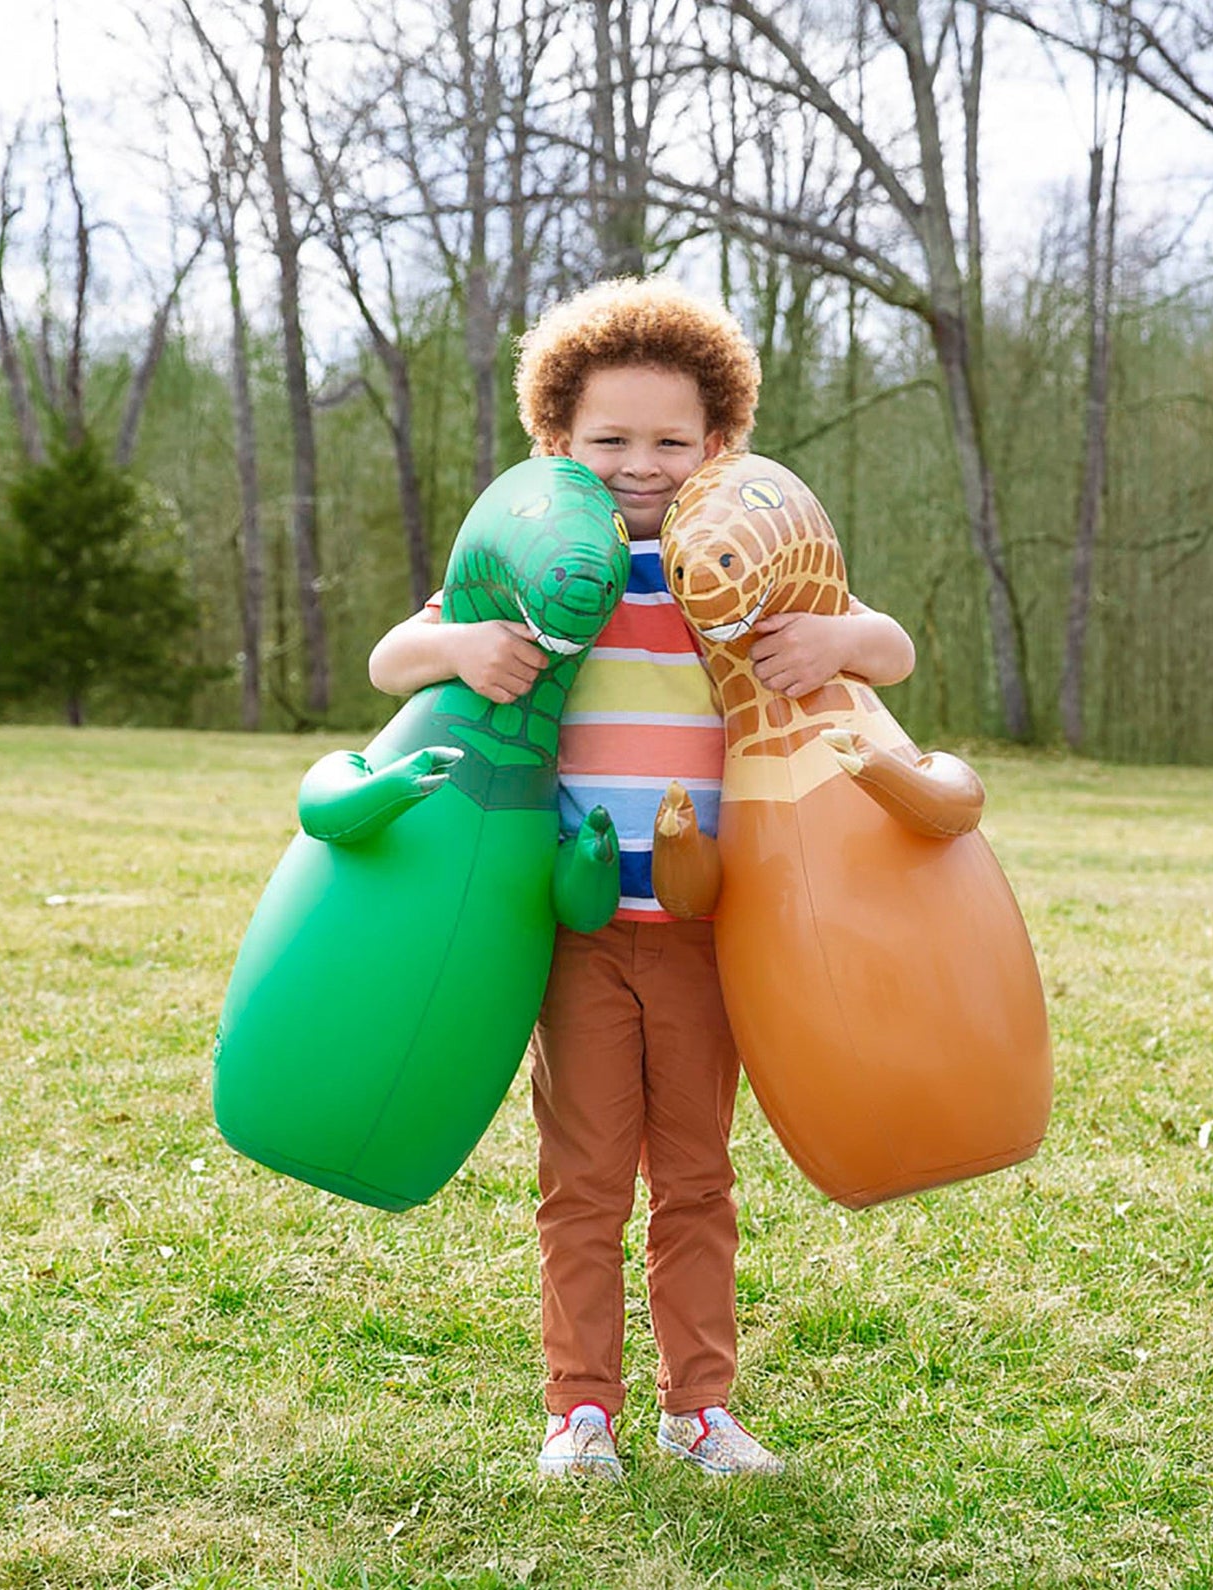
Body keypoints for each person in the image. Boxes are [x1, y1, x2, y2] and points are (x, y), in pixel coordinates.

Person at [368, 277, 915, 1480]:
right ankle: (580, 1412)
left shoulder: (739, 569)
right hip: (569, 934)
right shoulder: (534, 569)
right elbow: (392, 656)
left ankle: (697, 1407)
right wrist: (462, 646)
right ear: (555, 440)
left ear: (719, 443)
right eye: (609, 440)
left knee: (696, 1178)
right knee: (582, 1179)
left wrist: (833, 640)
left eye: (670, 441)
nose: (639, 466)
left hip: (703, 932)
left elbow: (891, 646)